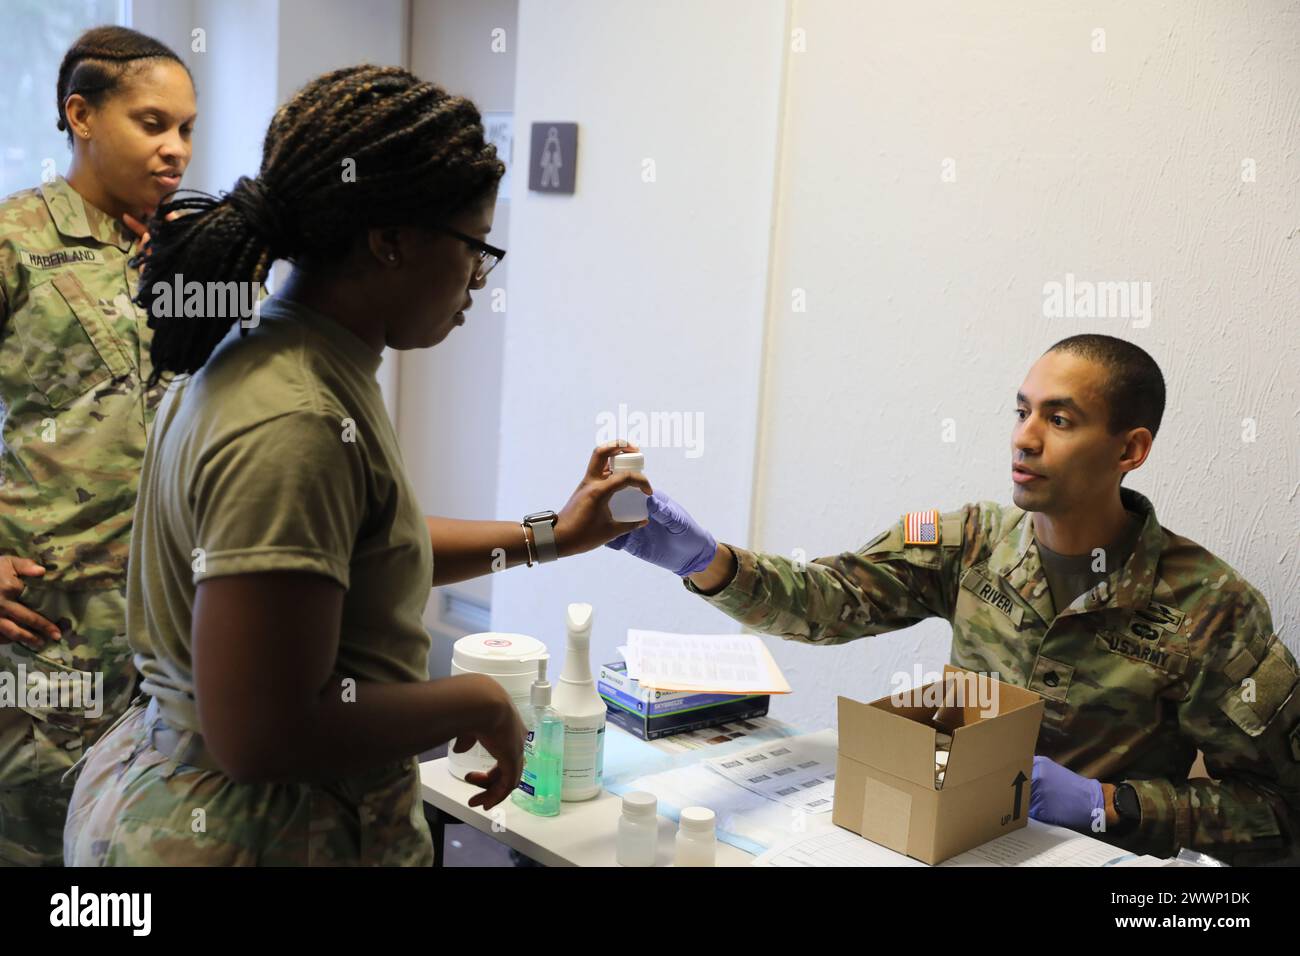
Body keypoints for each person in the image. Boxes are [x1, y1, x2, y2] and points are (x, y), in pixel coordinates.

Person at [61, 64, 652, 866]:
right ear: (390, 241)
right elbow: (260, 734)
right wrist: (473, 698)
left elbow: (356, 555)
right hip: (256, 833)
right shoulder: (295, 418)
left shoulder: (289, 353)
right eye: (476, 248)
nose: (478, 281)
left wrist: (550, 534)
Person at [609, 334, 1300, 865]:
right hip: (949, 845)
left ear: (1131, 449)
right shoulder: (968, 541)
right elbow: (828, 601)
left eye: (1060, 420)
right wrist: (709, 562)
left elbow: (1276, 810)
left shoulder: (1212, 607)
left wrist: (1107, 806)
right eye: (1023, 411)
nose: (1024, 437)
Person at [0, 25, 196, 866]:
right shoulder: (18, 241)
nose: (176, 149)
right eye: (153, 123)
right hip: (53, 626)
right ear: (81, 114)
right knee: (43, 845)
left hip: (177, 626)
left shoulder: (194, 252)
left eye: (187, 128)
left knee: (136, 853)